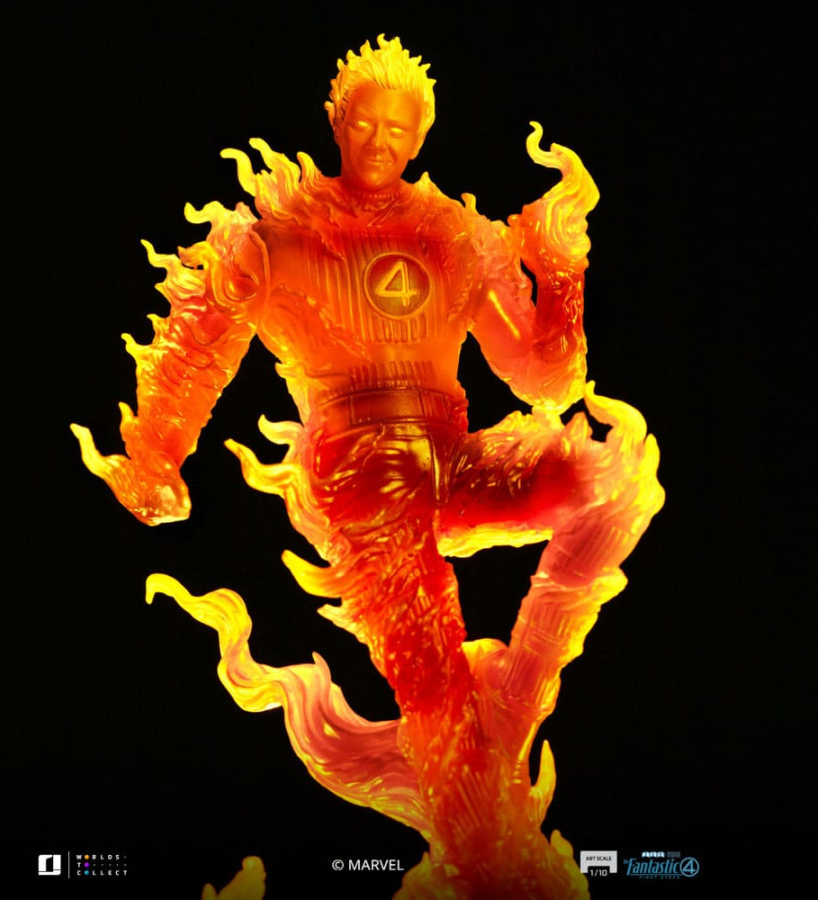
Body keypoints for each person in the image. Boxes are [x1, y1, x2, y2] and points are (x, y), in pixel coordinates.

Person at [72, 35, 663, 899]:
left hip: (455, 459)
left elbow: (547, 376)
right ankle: (487, 838)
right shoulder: (282, 235)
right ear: (335, 121)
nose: (380, 142)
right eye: (364, 122)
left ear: (420, 137)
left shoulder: (454, 234)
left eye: (398, 128)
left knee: (610, 482)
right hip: (360, 479)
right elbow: (201, 343)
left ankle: (510, 706)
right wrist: (154, 453)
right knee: (437, 698)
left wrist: (560, 267)